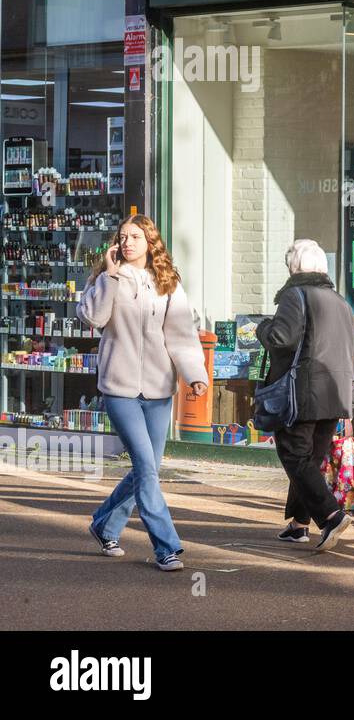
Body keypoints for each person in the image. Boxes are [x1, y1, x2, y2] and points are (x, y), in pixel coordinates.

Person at [81, 215, 208, 572]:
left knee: (147, 468)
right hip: (119, 389)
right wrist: (109, 276)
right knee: (146, 469)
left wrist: (194, 375)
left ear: (150, 242)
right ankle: (165, 546)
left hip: (158, 388)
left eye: (135, 237)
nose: (127, 243)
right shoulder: (107, 278)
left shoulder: (167, 283)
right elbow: (92, 317)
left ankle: (104, 524)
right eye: (122, 237)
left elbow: (181, 336)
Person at [257, 240, 354, 552]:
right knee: (311, 460)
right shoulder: (340, 302)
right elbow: (351, 351)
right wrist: (351, 400)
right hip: (335, 393)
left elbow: (280, 338)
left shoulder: (295, 294)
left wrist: (262, 327)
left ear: (293, 267)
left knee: (294, 455)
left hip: (304, 392)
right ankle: (299, 525)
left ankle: (330, 515)